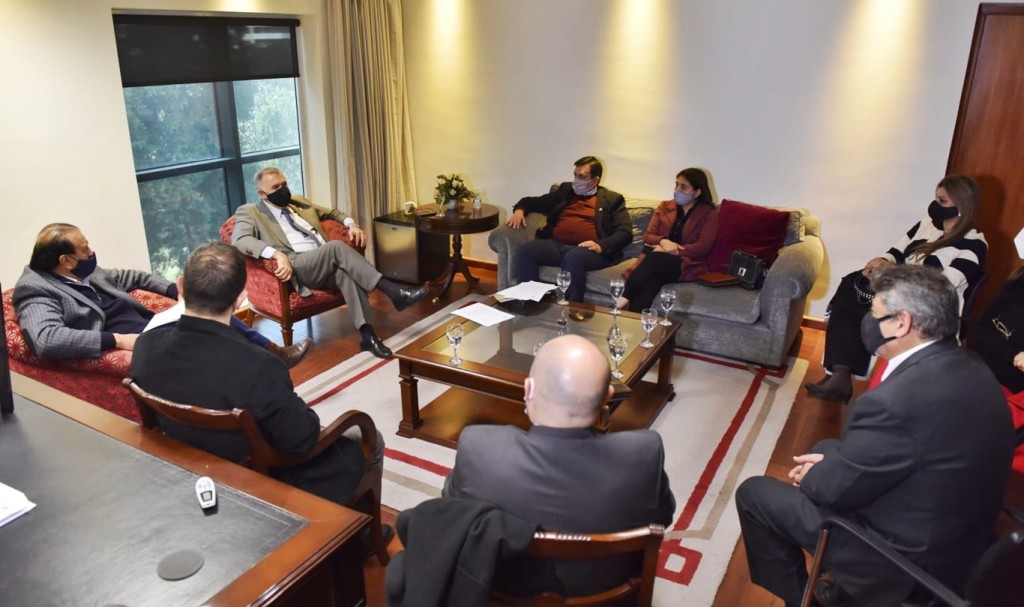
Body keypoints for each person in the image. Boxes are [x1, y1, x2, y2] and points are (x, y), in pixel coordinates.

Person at [735, 265, 1013, 607]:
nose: (868, 320)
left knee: (755, 495)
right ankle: (839, 586)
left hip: (904, 567)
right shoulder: (973, 367)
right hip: (962, 543)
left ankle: (805, 601)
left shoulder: (893, 402)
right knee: (825, 448)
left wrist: (813, 477)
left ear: (902, 323)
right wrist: (826, 466)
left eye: (875, 313)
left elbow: (830, 490)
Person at [131, 242, 389, 520]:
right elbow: (302, 440)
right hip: (262, 480)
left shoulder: (146, 346)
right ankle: (361, 536)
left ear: (181, 286)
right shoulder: (259, 366)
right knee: (368, 436)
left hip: (190, 469)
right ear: (241, 297)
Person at [442, 334, 675, 598]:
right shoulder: (644, 455)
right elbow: (663, 516)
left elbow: (452, 510)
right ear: (608, 397)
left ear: (528, 390)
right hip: (606, 598)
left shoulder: (478, 446)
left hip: (502, 595)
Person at [12, 223, 310, 367]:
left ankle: (272, 355)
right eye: (85, 248)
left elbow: (135, 277)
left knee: (210, 311)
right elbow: (46, 339)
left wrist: (180, 292)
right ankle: (263, 365)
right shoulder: (35, 289)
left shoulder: (84, 271)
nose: (91, 252)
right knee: (212, 332)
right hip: (136, 339)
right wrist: (118, 340)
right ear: (65, 260)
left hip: (151, 324)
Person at [805, 175, 988, 402]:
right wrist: (880, 262)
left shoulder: (974, 245)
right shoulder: (926, 225)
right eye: (935, 198)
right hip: (897, 291)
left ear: (962, 205)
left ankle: (841, 375)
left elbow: (941, 286)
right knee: (854, 283)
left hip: (927, 309)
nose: (935, 205)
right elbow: (896, 251)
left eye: (942, 201)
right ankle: (840, 373)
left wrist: (892, 272)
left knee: (859, 300)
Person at [231, 167, 428, 359]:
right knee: (335, 247)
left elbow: (332, 213)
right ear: (262, 194)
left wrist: (352, 225)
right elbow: (239, 240)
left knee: (346, 273)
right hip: (298, 264)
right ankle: (393, 291)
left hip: (324, 261)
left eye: (284, 184)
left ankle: (368, 336)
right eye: (276, 188)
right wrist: (276, 254)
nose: (283, 190)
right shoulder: (250, 212)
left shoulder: (298, 202)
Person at [507, 156, 632, 302]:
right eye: (575, 175)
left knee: (574, 257)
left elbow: (625, 232)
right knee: (526, 250)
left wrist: (600, 246)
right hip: (557, 246)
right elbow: (533, 202)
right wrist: (520, 211)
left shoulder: (612, 199)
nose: (576, 180)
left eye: (582, 177)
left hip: (589, 252)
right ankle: (528, 301)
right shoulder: (565, 191)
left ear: (595, 180)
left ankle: (572, 308)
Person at [615, 167, 719, 312]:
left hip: (685, 263)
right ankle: (635, 320)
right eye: (676, 185)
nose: (677, 190)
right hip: (657, 263)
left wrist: (672, 251)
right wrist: (664, 242)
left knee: (657, 258)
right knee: (652, 281)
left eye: (684, 187)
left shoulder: (709, 213)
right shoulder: (664, 206)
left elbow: (703, 246)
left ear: (697, 192)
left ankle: (622, 300)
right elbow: (648, 236)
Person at [973, 265, 1024, 472]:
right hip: (984, 371)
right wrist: (1013, 355)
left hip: (1013, 394)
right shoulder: (1019, 280)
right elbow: (981, 332)